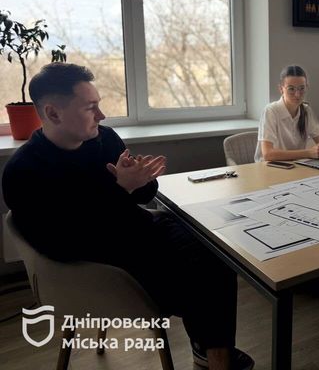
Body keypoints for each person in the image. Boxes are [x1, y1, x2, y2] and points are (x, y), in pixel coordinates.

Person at [2, 63, 253, 370]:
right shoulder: (25, 171)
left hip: (138, 228)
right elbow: (64, 243)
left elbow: (143, 197)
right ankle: (216, 355)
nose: (102, 115)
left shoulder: (104, 139)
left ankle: (210, 349)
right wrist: (121, 189)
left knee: (215, 249)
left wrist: (141, 181)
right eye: (90, 108)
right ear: (53, 113)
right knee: (204, 275)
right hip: (100, 261)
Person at [255, 65, 319, 162]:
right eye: (291, 89)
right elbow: (268, 154)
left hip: (295, 165)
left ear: (307, 87)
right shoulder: (270, 111)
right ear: (281, 89)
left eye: (302, 88)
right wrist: (308, 153)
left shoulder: (306, 111)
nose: (297, 94)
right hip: (269, 167)